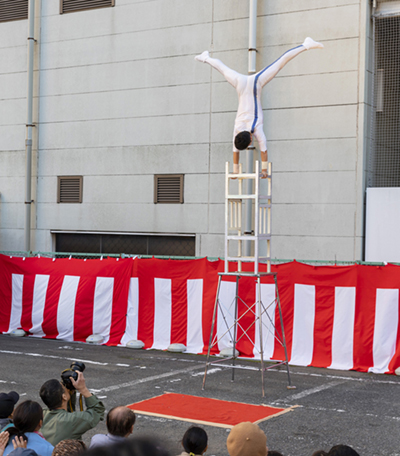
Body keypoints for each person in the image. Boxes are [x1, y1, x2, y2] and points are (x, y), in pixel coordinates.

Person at [195, 38, 323, 177]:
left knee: (279, 63)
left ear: (251, 139)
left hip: (255, 83)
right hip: (240, 83)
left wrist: (263, 171)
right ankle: (206, 57)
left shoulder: (256, 128)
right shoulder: (237, 129)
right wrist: (236, 170)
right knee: (223, 68)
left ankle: (306, 44)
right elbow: (235, 150)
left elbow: (264, 150)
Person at [39, 371, 105, 446]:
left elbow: (65, 411)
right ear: (64, 397)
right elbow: (97, 411)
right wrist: (83, 389)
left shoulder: (40, 414)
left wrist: (70, 392)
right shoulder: (71, 421)